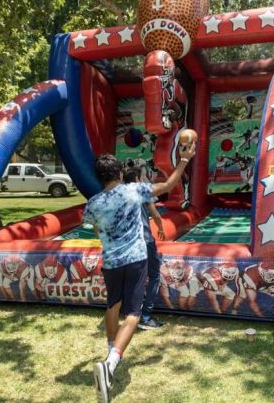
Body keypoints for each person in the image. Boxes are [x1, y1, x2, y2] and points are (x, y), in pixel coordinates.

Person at [83, 145, 195, 403]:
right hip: (135, 259)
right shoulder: (135, 190)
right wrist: (184, 161)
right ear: (120, 173)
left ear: (99, 176)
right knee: (133, 313)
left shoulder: (94, 203)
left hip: (111, 261)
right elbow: (168, 185)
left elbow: (94, 227)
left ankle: (112, 347)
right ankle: (110, 363)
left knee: (113, 305)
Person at [122, 166, 165, 330]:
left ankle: (130, 313)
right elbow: (155, 214)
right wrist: (160, 228)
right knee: (153, 275)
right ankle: (145, 317)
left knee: (132, 278)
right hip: (144, 240)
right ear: (137, 179)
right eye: (143, 177)